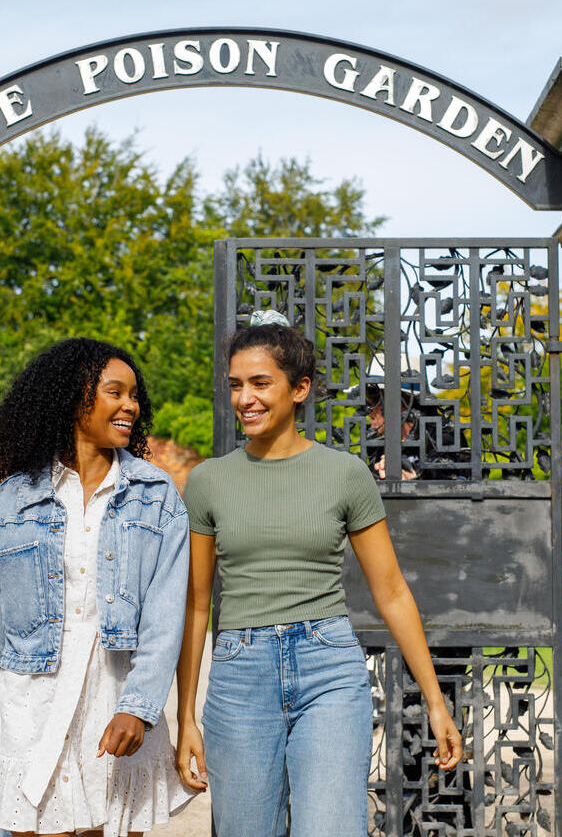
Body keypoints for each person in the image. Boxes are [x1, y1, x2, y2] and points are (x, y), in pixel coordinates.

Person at [175, 311, 463, 837]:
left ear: (300, 388)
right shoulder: (208, 482)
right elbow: (197, 604)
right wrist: (184, 717)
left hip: (327, 667)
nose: (245, 399)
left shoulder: (345, 473)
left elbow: (392, 592)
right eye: (236, 385)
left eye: (261, 383)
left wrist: (436, 702)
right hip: (240, 675)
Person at [0, 337, 195, 837]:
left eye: (134, 395)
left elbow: (168, 615)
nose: (130, 405)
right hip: (29, 708)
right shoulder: (14, 497)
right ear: (72, 398)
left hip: (113, 700)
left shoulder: (155, 494)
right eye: (114, 392)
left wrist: (138, 707)